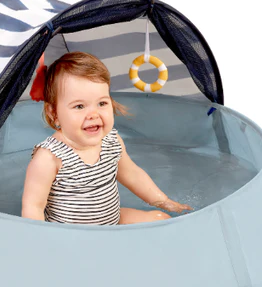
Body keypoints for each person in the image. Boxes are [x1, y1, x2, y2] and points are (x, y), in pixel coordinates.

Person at [21, 51, 193, 224]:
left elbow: (132, 175)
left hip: (112, 221)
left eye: (102, 103)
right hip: (71, 234)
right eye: (79, 106)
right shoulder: (49, 157)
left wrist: (164, 201)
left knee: (161, 219)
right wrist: (42, 239)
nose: (93, 114)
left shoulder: (111, 141)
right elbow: (33, 207)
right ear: (54, 113)